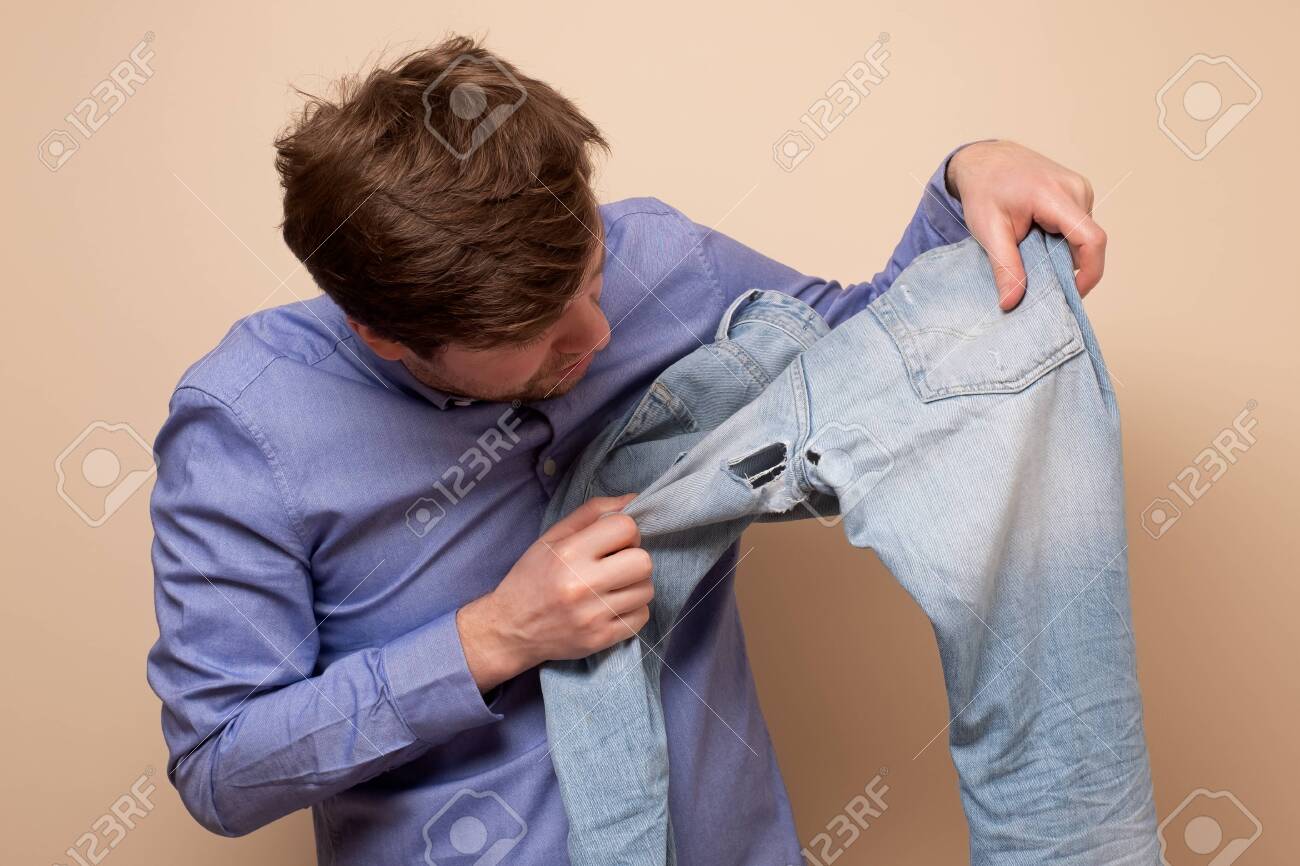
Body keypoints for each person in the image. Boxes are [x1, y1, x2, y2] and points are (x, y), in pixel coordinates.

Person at [146, 33, 1107, 865]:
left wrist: (968, 178)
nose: (598, 335)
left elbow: (883, 358)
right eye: (536, 333)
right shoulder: (248, 430)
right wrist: (494, 636)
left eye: (594, 276)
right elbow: (220, 767)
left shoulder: (665, 260)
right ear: (383, 334)